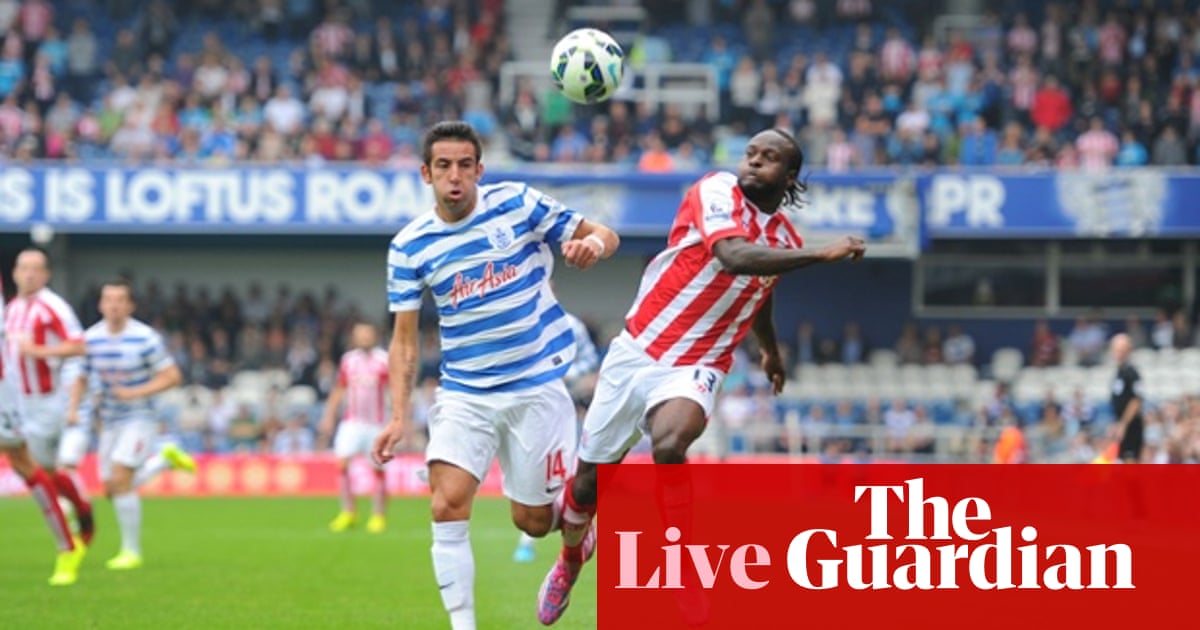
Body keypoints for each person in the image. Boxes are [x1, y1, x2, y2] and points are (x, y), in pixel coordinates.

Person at [538, 127, 866, 625]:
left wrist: (770, 351)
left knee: (670, 444)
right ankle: (570, 560)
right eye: (751, 153)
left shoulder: (782, 241)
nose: (753, 162)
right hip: (638, 349)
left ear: (790, 175)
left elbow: (760, 287)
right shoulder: (715, 190)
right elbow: (734, 258)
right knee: (586, 487)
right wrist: (821, 255)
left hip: (699, 362)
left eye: (768, 157)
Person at [371, 120, 620, 630]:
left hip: (536, 387)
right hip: (466, 394)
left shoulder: (518, 204)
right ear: (426, 173)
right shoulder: (410, 246)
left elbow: (604, 233)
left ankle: (572, 552)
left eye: (465, 165)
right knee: (446, 504)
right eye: (444, 166)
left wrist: (593, 246)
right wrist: (398, 417)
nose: (455, 176)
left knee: (533, 521)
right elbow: (403, 339)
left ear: (480, 169)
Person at [66, 278, 197, 570]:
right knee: (112, 488)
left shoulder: (145, 338)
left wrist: (135, 392)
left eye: (119, 300)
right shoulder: (91, 338)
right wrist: (73, 408)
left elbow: (173, 376)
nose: (113, 305)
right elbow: (82, 376)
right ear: (100, 305)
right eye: (108, 299)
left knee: (121, 478)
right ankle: (163, 460)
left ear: (129, 305)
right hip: (108, 420)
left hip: (140, 417)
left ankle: (131, 550)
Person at [1, 274, 86, 586]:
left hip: (26, 397)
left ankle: (68, 542)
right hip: (21, 393)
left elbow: (78, 345)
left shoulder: (52, 306)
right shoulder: (13, 307)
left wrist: (37, 353)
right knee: (38, 467)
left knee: (30, 465)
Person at [512, 309, 600, 563]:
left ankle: (541, 543)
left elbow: (590, 359)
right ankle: (565, 534)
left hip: (564, 411)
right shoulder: (517, 321)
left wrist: (564, 373)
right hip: (527, 410)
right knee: (530, 475)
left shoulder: (571, 324)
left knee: (562, 473)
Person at [318, 321, 391, 533]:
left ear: (374, 336)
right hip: (352, 422)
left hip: (376, 423)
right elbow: (340, 388)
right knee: (341, 465)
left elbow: (393, 389)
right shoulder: (348, 360)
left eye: (367, 334)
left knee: (377, 468)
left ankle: (378, 515)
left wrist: (397, 417)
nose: (364, 338)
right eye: (360, 335)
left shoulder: (383, 360)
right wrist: (329, 415)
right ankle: (348, 512)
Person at [1109, 333, 1144, 463]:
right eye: (1116, 350)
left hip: (1131, 426)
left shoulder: (1131, 372)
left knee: (1130, 462)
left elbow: (1137, 400)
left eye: (1122, 350)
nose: (1119, 353)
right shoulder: (1119, 372)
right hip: (1120, 424)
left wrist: (1123, 424)